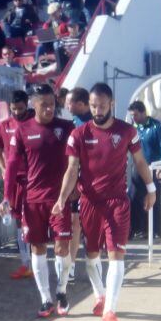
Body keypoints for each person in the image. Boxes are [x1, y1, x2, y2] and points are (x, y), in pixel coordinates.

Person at [54, 83, 155, 321]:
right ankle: (100, 295)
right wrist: (61, 198)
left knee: (116, 255)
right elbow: (71, 169)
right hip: (89, 201)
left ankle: (109, 310)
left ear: (112, 104)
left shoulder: (128, 131)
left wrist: (151, 189)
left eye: (101, 105)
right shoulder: (79, 134)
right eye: (93, 106)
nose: (97, 110)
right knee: (91, 257)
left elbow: (140, 162)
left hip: (117, 201)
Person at [1, 84, 75, 318]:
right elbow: (11, 165)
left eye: (52, 104)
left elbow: (77, 162)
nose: (50, 108)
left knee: (62, 247)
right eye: (44, 104)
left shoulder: (66, 128)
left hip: (59, 200)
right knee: (38, 247)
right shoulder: (22, 131)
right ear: (34, 105)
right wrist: (6, 195)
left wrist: (77, 187)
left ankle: (61, 291)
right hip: (32, 201)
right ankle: (45, 299)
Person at [0, 90, 35, 279]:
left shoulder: (34, 123)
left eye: (20, 108)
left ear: (27, 105)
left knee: (34, 220)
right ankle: (25, 263)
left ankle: (36, 262)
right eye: (14, 109)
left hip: (34, 179)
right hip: (13, 181)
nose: (17, 112)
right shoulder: (4, 125)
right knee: (19, 220)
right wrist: (4, 170)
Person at [128, 100, 161, 238]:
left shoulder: (158, 126)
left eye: (136, 115)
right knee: (133, 198)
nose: (134, 118)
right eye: (132, 115)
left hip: (153, 168)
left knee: (153, 200)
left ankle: (157, 230)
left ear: (144, 112)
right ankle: (138, 229)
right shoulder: (133, 128)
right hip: (138, 169)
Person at [64, 87, 92, 280]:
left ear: (81, 103)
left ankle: (95, 266)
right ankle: (71, 266)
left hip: (94, 184)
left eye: (70, 102)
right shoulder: (69, 125)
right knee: (74, 224)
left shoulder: (97, 123)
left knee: (91, 227)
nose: (66, 105)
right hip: (75, 182)